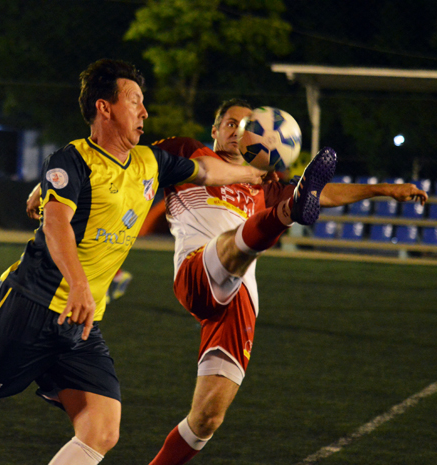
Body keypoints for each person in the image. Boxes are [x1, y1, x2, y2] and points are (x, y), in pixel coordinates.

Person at [0, 59, 266, 465]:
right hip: (28, 308)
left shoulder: (149, 163)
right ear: (105, 107)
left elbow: (209, 169)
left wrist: (257, 173)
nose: (145, 111)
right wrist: (79, 284)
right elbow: (56, 226)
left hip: (80, 325)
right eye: (135, 101)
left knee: (102, 430)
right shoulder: (72, 160)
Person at [146, 99, 429, 465]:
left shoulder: (266, 181)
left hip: (241, 303)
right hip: (198, 271)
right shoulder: (187, 152)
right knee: (235, 244)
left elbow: (322, 195)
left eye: (244, 125)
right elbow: (137, 166)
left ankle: (289, 209)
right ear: (214, 130)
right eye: (229, 124)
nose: (236, 131)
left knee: (206, 420)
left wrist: (384, 190)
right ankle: (285, 214)